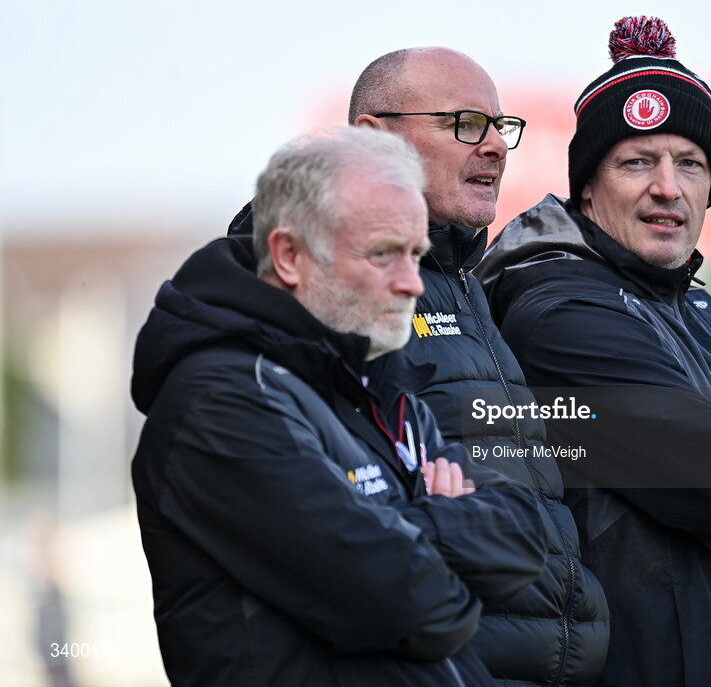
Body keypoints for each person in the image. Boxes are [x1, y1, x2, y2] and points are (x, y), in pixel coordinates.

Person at [476, 17, 711, 687]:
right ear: (588, 189)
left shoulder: (710, 318)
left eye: (689, 164)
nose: (668, 187)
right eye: (637, 162)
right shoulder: (558, 312)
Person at [228, 47, 609, 687]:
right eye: (463, 123)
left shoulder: (464, 286)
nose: (494, 146)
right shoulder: (317, 281)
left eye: (499, 126)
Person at [131, 127, 547, 687]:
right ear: (289, 255)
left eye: (416, 255)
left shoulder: (379, 386)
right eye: (383, 254)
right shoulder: (220, 400)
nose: (412, 284)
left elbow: (523, 535)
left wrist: (399, 529)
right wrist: (445, 530)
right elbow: (416, 602)